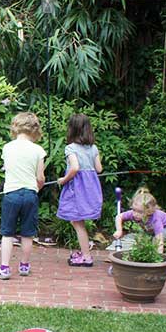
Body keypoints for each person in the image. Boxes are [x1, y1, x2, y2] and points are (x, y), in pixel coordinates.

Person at [0, 112, 46, 280]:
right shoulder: (38, 150)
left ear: (15, 127)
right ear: (35, 129)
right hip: (30, 194)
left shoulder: (7, 147)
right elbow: (41, 178)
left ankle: (4, 268)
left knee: (7, 233)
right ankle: (24, 266)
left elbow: (9, 168)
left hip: (12, 194)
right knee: (27, 233)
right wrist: (38, 187)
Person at [57, 114, 103, 267]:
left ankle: (86, 256)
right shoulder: (94, 148)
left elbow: (75, 167)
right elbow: (99, 169)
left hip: (77, 189)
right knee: (77, 220)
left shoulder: (70, 148)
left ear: (72, 129)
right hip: (91, 187)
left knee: (77, 222)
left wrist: (63, 180)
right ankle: (84, 252)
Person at [113, 187, 166, 253]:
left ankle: (155, 254)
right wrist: (119, 230)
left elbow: (159, 241)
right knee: (142, 241)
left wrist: (158, 257)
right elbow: (119, 217)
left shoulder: (156, 219)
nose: (135, 214)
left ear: (149, 211)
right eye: (134, 210)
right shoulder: (133, 213)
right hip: (150, 229)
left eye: (140, 212)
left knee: (155, 241)